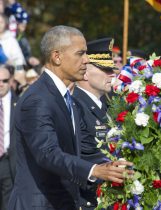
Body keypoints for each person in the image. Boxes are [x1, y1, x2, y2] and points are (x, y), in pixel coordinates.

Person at [8, 25, 133, 210]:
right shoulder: (38, 99)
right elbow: (47, 153)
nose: (86, 60)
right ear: (57, 56)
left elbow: (78, 152)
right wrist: (94, 170)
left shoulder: (67, 99)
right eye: (80, 53)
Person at [72, 37, 116, 209]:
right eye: (105, 69)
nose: (111, 74)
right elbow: (81, 154)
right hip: (88, 199)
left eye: (111, 69)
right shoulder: (76, 106)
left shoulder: (109, 106)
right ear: (85, 72)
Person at [0, 64, 17, 210]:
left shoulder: (21, 103)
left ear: (11, 81)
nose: (0, 84)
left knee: (7, 203)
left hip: (8, 159)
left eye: (4, 80)